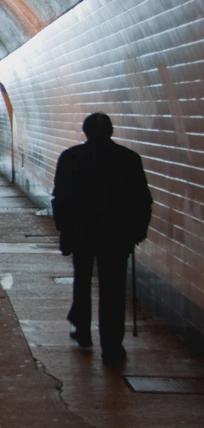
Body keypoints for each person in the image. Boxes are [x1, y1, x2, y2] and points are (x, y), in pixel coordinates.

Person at [51, 113, 152, 366]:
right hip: (116, 236)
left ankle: (83, 330)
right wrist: (137, 232)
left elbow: (60, 198)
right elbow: (142, 200)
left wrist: (63, 230)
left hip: (81, 232)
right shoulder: (129, 159)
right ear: (111, 131)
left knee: (82, 280)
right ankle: (111, 345)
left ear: (85, 132)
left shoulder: (70, 157)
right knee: (113, 289)